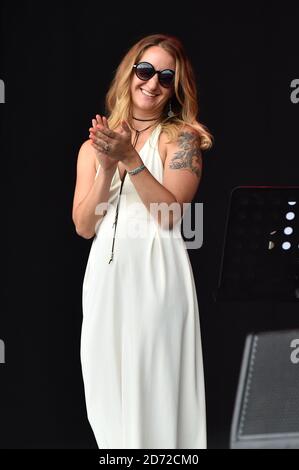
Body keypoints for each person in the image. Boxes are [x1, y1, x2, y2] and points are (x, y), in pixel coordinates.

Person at [72, 33, 213, 449]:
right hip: (106, 278)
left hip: (156, 274)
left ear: (175, 88)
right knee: (106, 392)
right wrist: (105, 167)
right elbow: (83, 225)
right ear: (130, 73)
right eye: (145, 71)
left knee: (155, 390)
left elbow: (169, 215)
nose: (152, 84)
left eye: (165, 78)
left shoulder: (182, 139)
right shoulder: (93, 147)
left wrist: (132, 160)